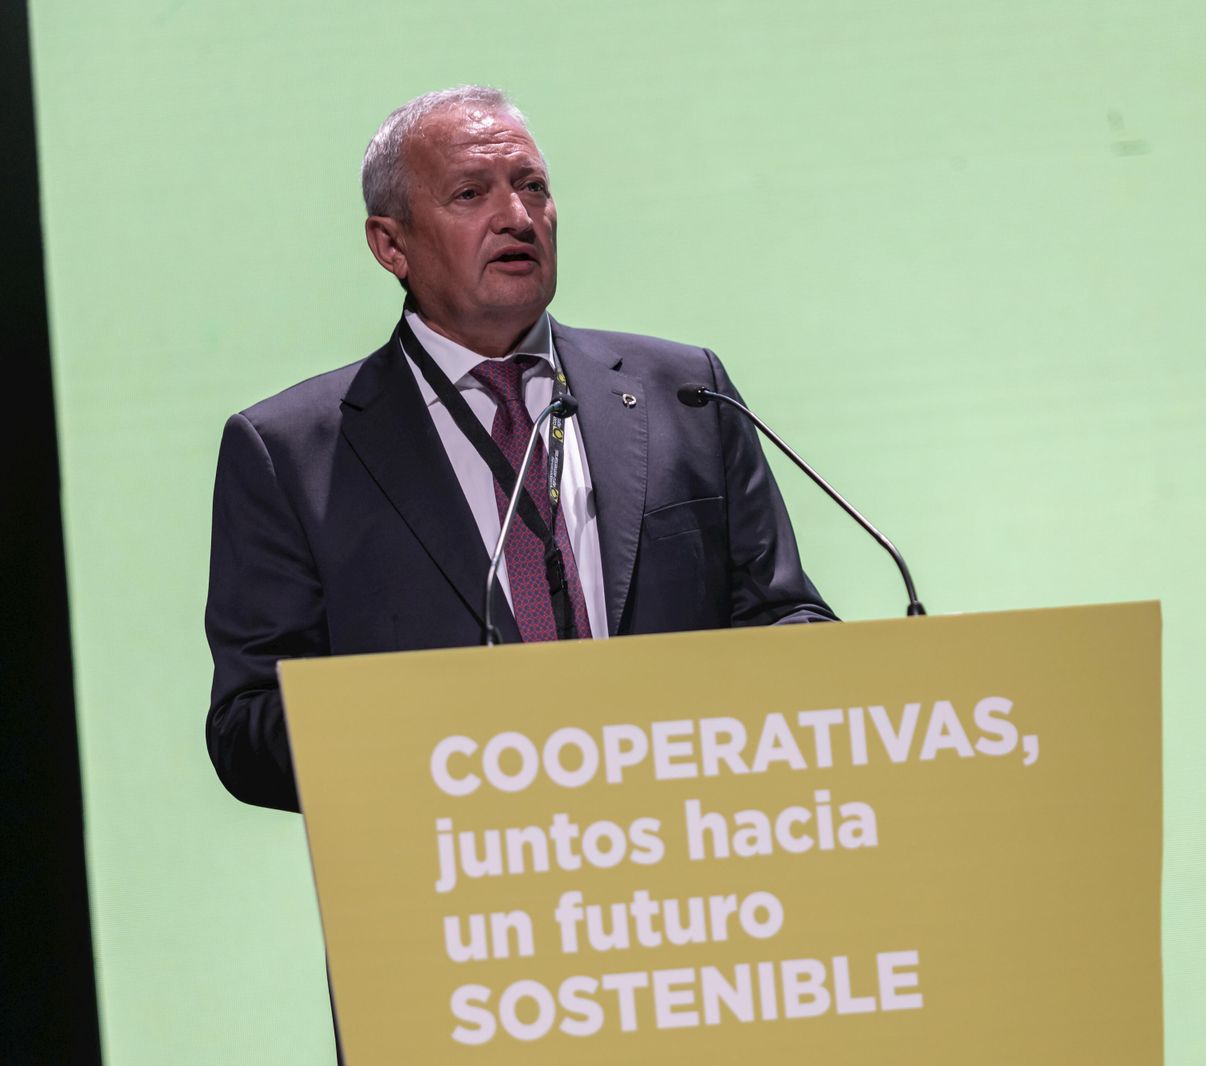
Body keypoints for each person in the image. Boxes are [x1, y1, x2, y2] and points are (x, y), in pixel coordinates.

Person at [205, 86, 833, 813]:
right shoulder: (291, 454)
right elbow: (248, 727)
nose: (517, 216)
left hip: (693, 863)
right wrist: (455, 737)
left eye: (533, 187)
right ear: (391, 243)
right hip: (462, 882)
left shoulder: (687, 395)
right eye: (471, 193)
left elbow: (788, 619)